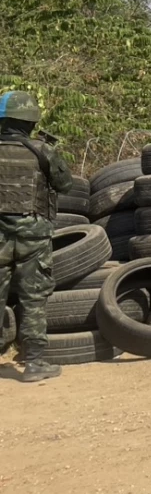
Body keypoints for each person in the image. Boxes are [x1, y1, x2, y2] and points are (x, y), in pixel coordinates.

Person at [0, 91, 74, 382]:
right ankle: (33, 363)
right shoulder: (42, 150)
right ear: (31, 122)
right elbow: (65, 185)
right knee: (33, 298)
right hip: (33, 235)